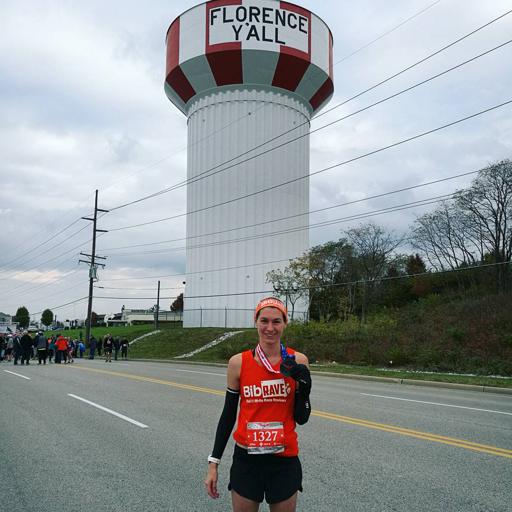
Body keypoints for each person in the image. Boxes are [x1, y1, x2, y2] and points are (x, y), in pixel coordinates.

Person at [204, 297, 312, 512]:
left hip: (284, 460)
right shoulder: (238, 363)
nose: (270, 328)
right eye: (264, 321)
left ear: (285, 323)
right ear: (255, 322)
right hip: (247, 460)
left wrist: (305, 388)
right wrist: (213, 463)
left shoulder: (297, 361)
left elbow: (301, 417)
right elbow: (228, 415)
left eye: (276, 321)